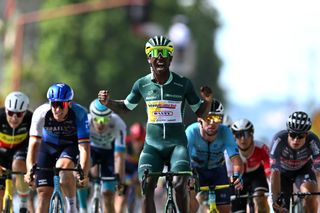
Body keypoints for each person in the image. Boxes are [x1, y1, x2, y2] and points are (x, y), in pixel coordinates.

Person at [98, 35, 213, 213]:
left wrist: (207, 101)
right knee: (147, 185)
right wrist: (108, 103)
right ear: (148, 58)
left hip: (177, 145)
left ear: (171, 58)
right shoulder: (142, 84)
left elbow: (200, 113)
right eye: (155, 53)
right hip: (152, 146)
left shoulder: (183, 84)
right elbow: (125, 107)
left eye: (165, 53)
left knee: (178, 184)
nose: (160, 57)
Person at [24, 83, 90, 213]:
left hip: (69, 146)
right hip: (47, 148)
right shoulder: (40, 113)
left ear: (69, 104)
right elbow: (33, 145)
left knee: (63, 168)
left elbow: (84, 147)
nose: (57, 109)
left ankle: (71, 207)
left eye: (62, 105)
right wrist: (29, 171)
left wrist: (84, 173)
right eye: (54, 104)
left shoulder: (80, 113)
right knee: (43, 193)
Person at [186, 99, 243, 213]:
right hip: (196, 170)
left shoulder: (225, 132)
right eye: (208, 118)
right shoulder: (191, 131)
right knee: (189, 206)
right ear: (200, 120)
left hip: (218, 170)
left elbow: (236, 160)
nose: (212, 123)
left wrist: (237, 175)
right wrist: (188, 176)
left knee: (224, 210)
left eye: (216, 118)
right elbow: (184, 158)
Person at [77, 99, 126, 213]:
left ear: (110, 117)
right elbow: (80, 148)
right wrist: (80, 172)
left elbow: (119, 155)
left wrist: (120, 180)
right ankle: (83, 208)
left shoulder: (118, 123)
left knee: (108, 195)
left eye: (104, 119)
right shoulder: (86, 121)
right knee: (80, 174)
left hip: (109, 153)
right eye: (97, 119)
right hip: (91, 150)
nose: (100, 123)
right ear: (91, 117)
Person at [270, 111, 320, 212]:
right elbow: (274, 172)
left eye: (300, 136)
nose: (296, 140)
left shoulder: (313, 140)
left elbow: (319, 169)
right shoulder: (278, 140)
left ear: (306, 134)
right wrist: (276, 199)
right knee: (280, 208)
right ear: (288, 132)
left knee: (310, 195)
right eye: (292, 135)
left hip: (303, 171)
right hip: (282, 173)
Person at [0, 91, 33, 213]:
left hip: (20, 150)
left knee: (18, 164)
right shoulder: (0, 117)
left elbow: (35, 143)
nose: (14, 118)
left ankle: (23, 203)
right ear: (6, 110)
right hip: (2, 151)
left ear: (24, 112)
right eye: (10, 113)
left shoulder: (31, 118)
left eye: (19, 114)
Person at [230, 118, 270, 213]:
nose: (243, 139)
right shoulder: (229, 151)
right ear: (234, 137)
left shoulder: (261, 147)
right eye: (239, 135)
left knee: (260, 200)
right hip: (238, 177)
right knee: (238, 210)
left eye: (247, 134)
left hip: (256, 174)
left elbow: (270, 170)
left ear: (252, 135)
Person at [115, 122, 146, 213]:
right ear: (131, 138)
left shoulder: (146, 146)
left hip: (137, 171)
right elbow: (118, 162)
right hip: (126, 171)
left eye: (141, 140)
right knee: (121, 199)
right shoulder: (124, 144)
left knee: (143, 196)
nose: (138, 143)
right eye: (136, 139)